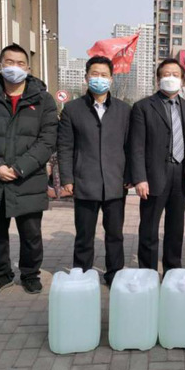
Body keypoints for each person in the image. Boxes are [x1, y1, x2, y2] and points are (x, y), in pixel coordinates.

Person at [0, 43, 58, 297]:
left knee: (31, 233)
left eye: (20, 63)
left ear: (28, 68)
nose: (14, 68)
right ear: (0, 65)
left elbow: (47, 139)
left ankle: (30, 274)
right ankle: (1, 275)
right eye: (9, 62)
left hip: (28, 179)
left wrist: (19, 168)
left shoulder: (43, 100)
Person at [57, 56, 132, 287]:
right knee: (84, 235)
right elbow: (65, 147)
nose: (99, 79)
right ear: (86, 77)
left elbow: (131, 146)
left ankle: (114, 274)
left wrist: (129, 176)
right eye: (95, 74)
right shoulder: (72, 110)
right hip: (84, 182)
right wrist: (67, 178)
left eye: (104, 75)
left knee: (115, 235)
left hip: (115, 183)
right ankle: (82, 274)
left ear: (111, 79)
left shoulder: (124, 110)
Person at [129, 58, 185, 274]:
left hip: (181, 175)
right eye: (166, 74)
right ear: (158, 79)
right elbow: (136, 146)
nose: (171, 78)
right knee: (149, 227)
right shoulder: (143, 107)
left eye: (175, 75)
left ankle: (172, 270)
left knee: (175, 228)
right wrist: (139, 178)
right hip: (153, 176)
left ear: (182, 80)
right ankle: (148, 272)